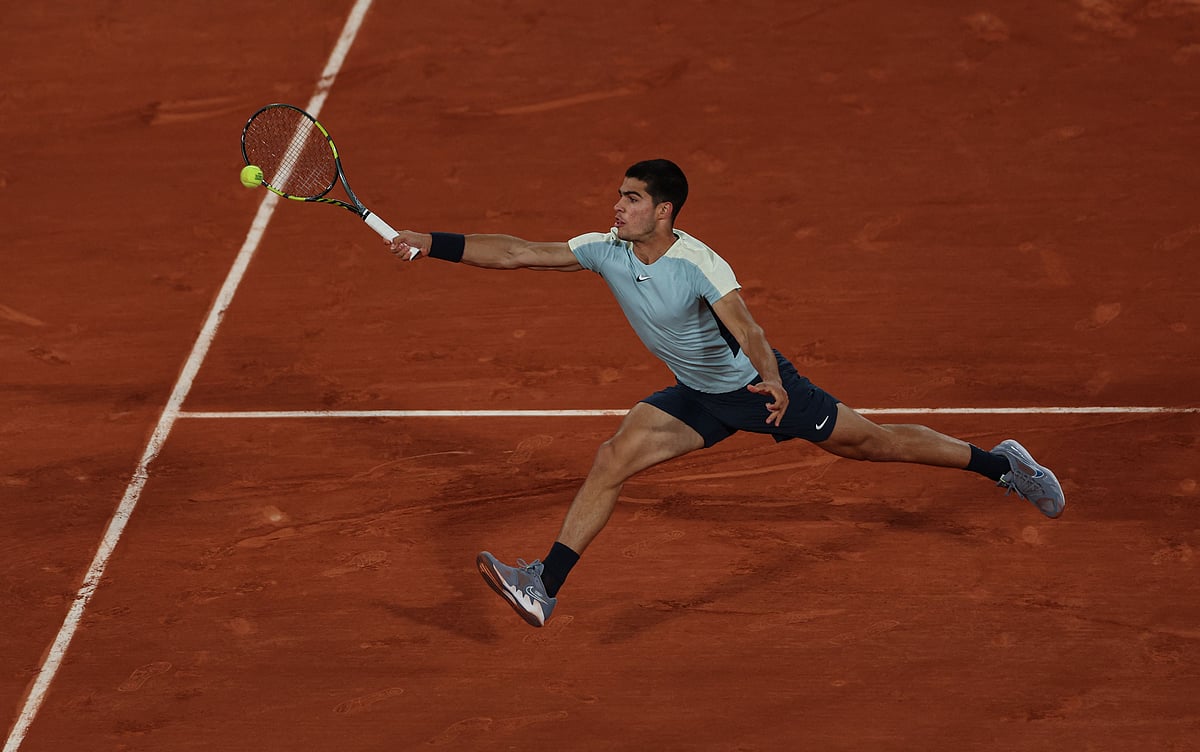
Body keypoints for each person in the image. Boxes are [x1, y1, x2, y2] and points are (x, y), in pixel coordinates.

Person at [384, 159, 1065, 628]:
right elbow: (517, 252)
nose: (616, 207)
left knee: (872, 444)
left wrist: (771, 380)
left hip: (759, 391)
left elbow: (747, 325)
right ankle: (545, 585)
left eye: (630, 199)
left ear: (663, 210)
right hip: (700, 395)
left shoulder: (698, 264)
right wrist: (431, 242)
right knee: (613, 456)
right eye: (618, 197)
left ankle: (1002, 465)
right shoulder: (605, 249)